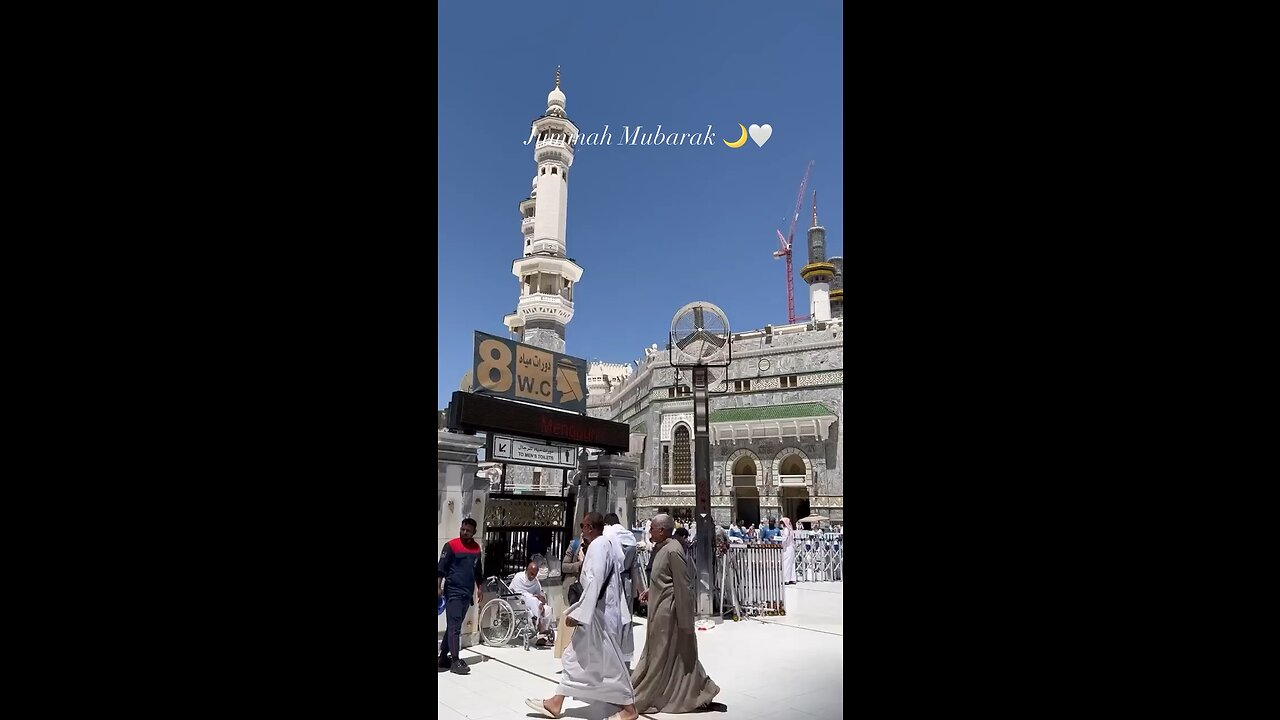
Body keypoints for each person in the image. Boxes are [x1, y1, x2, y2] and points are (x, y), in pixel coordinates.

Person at [527, 512, 638, 720]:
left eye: (583, 525)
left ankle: (629, 710)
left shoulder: (598, 546)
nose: (581, 530)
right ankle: (556, 703)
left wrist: (579, 614)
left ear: (590, 527)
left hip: (597, 616)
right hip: (598, 614)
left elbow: (594, 582)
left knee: (609, 664)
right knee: (575, 659)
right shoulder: (605, 545)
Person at [630, 514, 721, 714]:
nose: (650, 531)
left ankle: (655, 695)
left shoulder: (673, 550)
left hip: (669, 613)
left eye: (652, 528)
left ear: (662, 530)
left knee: (666, 655)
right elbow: (664, 579)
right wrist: (650, 591)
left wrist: (686, 621)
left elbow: (683, 585)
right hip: (658, 609)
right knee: (660, 654)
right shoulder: (661, 549)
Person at [438, 518, 484, 674]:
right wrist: (438, 587)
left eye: (468, 530)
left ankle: (443, 656)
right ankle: (455, 661)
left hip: (467, 593)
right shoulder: (451, 546)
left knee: (453, 625)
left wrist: (480, 588)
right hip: (454, 592)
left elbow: (478, 570)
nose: (464, 532)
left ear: (474, 532)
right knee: (455, 626)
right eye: (462, 529)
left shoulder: (476, 549)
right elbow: (441, 569)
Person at [604, 512, 645, 668]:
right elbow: (635, 568)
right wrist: (637, 591)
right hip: (627, 583)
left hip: (611, 582)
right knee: (626, 620)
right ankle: (625, 659)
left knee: (610, 620)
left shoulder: (608, 538)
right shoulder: (631, 538)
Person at [554, 536, 585, 659]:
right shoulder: (575, 544)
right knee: (567, 623)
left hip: (585, 590)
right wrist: (580, 565)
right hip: (572, 589)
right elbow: (564, 566)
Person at [510, 559, 554, 643]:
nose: (532, 576)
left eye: (535, 575)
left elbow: (541, 596)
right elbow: (519, 593)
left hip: (533, 604)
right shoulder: (519, 577)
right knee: (533, 600)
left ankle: (543, 634)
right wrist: (536, 599)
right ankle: (539, 627)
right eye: (531, 573)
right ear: (527, 570)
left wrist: (541, 602)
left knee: (548, 609)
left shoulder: (536, 582)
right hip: (518, 602)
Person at [780, 517, 797, 585]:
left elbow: (784, 538)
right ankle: (792, 578)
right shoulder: (790, 529)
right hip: (791, 548)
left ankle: (786, 579)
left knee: (786, 563)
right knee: (791, 564)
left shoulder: (786, 529)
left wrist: (778, 540)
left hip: (786, 549)